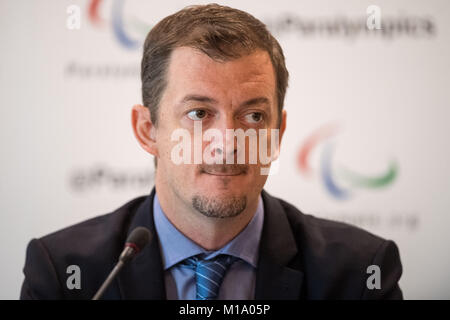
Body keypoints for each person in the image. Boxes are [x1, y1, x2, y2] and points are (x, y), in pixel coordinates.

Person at [20, 4, 403, 300]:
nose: (228, 141)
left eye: (253, 115)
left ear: (278, 132)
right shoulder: (64, 270)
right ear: (148, 130)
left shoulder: (359, 271)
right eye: (199, 113)